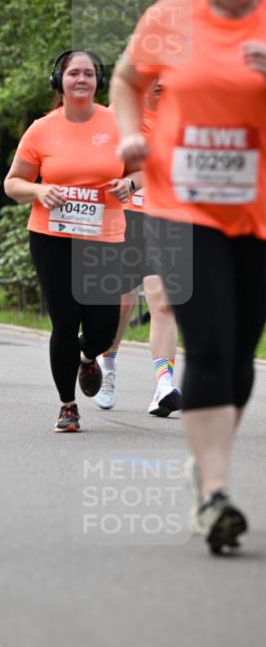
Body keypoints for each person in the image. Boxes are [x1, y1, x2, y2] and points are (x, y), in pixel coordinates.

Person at [110, 0, 266, 553]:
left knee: (238, 357)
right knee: (205, 342)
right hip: (180, 207)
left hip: (255, 213)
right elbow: (124, 79)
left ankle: (205, 469)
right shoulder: (169, 16)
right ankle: (213, 492)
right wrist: (127, 136)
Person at [5, 50, 137, 432]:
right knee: (64, 322)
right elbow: (13, 182)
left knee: (103, 326)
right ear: (59, 81)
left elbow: (145, 169)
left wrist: (130, 183)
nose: (81, 79)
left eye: (89, 74)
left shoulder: (118, 123)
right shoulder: (41, 129)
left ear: (98, 81)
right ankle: (67, 406)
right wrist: (38, 191)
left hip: (105, 236)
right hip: (52, 237)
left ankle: (87, 356)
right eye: (73, 73)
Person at [95, 82, 183, 417]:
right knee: (122, 303)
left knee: (164, 304)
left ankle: (163, 386)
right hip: (126, 216)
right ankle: (108, 364)